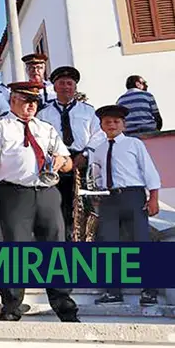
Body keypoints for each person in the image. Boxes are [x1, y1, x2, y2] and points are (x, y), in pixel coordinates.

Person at [0, 81, 79, 322]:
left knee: (55, 247)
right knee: (13, 249)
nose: (31, 106)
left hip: (47, 192)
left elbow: (69, 162)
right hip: (14, 192)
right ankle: (11, 305)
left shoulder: (47, 128)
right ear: (12, 101)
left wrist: (61, 162)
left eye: (34, 102)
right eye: (25, 100)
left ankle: (64, 304)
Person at [90, 105, 160, 306]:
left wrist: (153, 196)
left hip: (133, 196)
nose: (112, 125)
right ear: (102, 126)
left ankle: (149, 291)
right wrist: (97, 195)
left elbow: (148, 170)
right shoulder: (99, 149)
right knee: (109, 245)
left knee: (141, 242)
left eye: (116, 122)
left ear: (123, 124)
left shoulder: (134, 144)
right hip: (109, 200)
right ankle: (113, 291)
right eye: (107, 122)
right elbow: (97, 175)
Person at [37, 66, 104, 232]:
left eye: (69, 83)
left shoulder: (88, 111)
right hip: (56, 163)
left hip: (82, 161)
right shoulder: (44, 114)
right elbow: (39, 138)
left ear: (75, 87)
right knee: (59, 207)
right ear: (55, 87)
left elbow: (98, 134)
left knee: (83, 207)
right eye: (61, 83)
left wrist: (86, 154)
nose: (66, 86)